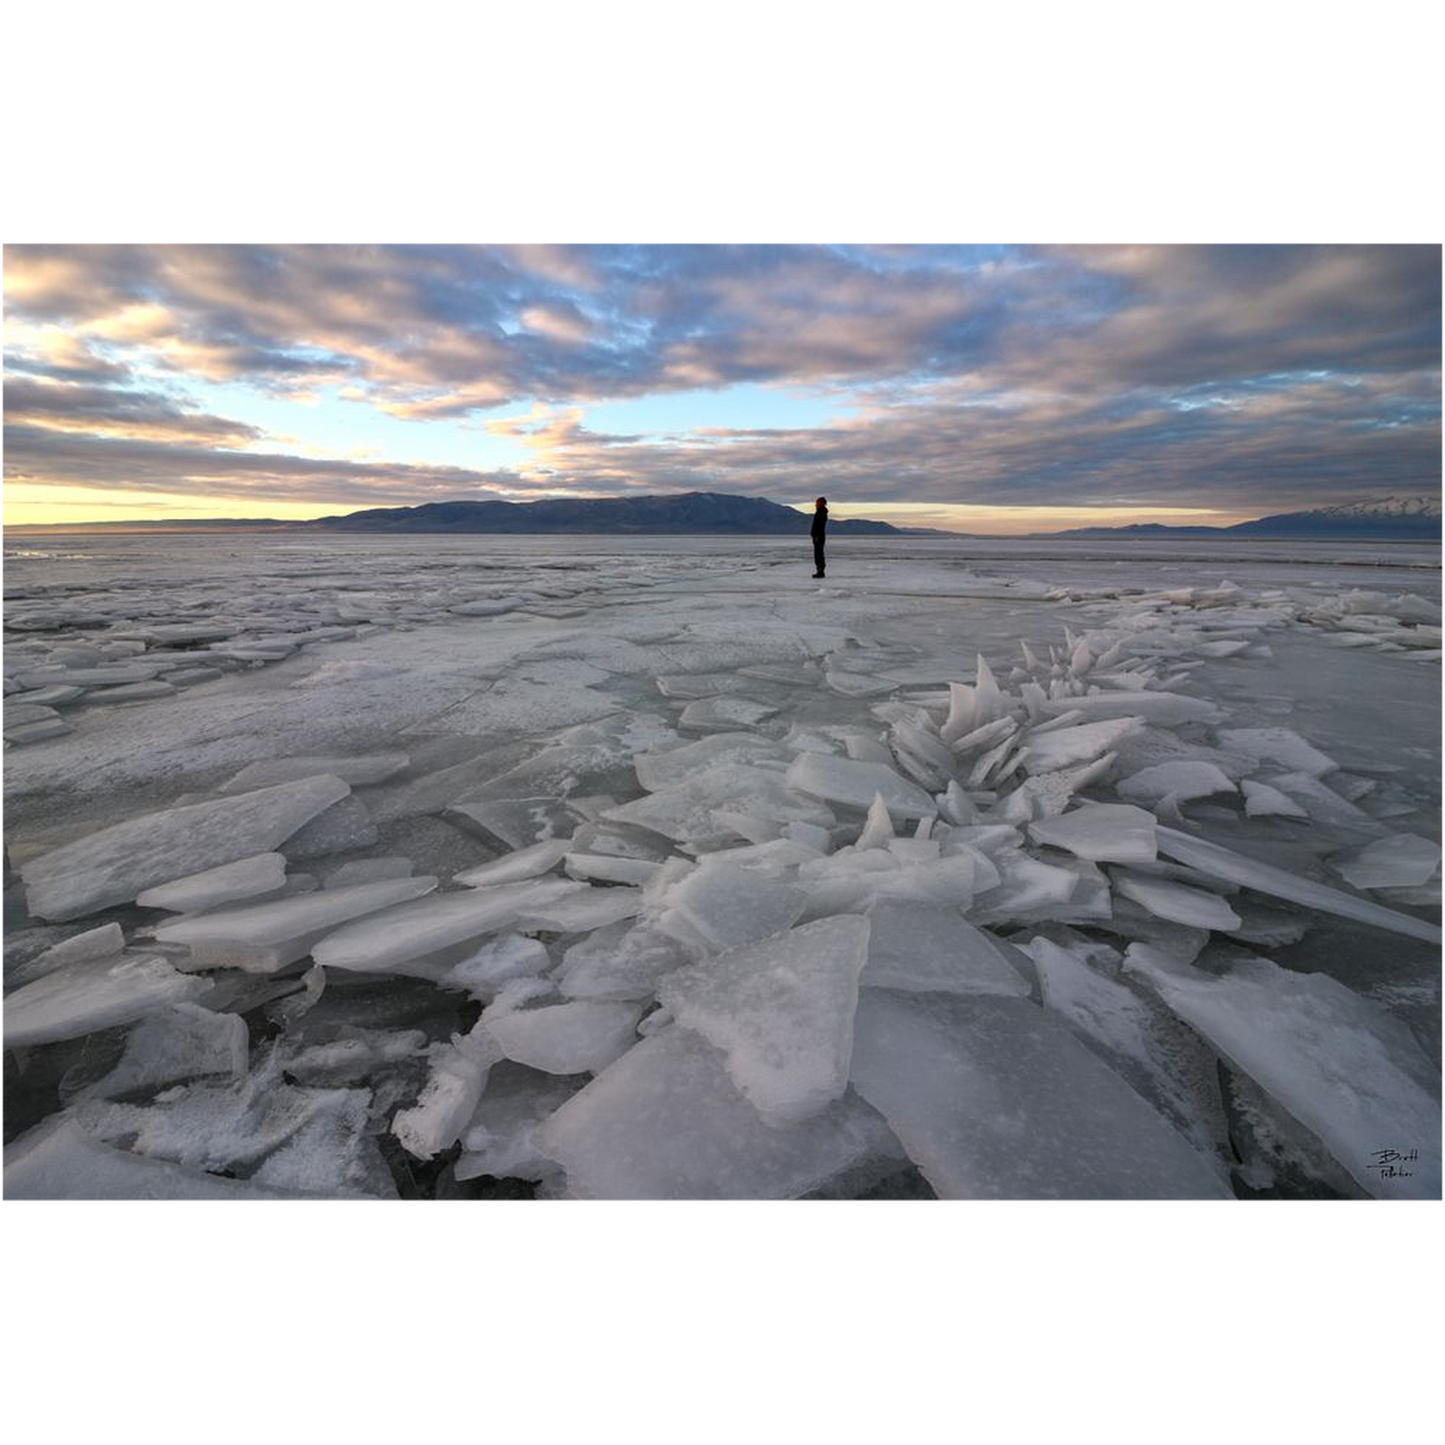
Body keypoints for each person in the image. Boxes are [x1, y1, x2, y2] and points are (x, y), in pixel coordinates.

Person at [810, 496, 828, 578]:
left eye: (817, 503)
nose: (815, 504)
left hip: (819, 536)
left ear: (821, 503)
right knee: (818, 554)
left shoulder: (821, 512)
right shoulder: (820, 512)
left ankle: (820, 571)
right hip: (818, 535)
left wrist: (816, 535)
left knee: (819, 554)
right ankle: (819, 570)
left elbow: (819, 525)